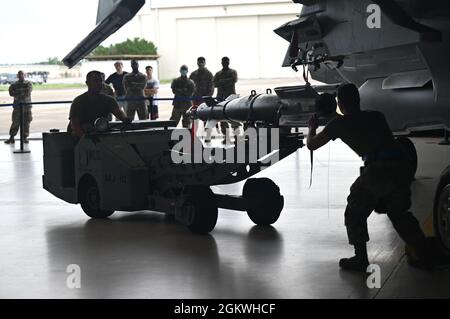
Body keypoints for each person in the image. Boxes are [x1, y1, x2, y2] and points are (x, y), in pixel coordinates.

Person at [306, 83, 443, 272]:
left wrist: (312, 128)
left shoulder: (338, 125)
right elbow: (356, 123)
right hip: (402, 166)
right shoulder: (376, 116)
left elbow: (312, 145)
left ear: (340, 102)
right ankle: (423, 253)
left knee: (355, 211)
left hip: (378, 169)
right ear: (358, 100)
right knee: (399, 213)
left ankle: (360, 258)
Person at [69, 71, 130, 139]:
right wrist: (85, 139)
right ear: (87, 83)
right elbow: (75, 125)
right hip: (82, 136)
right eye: (95, 81)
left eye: (100, 81)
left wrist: (125, 119)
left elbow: (118, 113)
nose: (99, 83)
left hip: (100, 134)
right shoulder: (79, 101)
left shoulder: (109, 100)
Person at [213, 57, 240, 142]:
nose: (225, 63)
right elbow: (214, 84)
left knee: (234, 117)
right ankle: (226, 137)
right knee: (222, 119)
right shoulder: (218, 73)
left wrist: (222, 81)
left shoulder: (233, 72)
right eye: (223, 62)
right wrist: (226, 81)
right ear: (221, 63)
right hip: (221, 98)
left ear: (229, 62)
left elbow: (234, 80)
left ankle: (236, 136)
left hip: (232, 98)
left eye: (226, 61)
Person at [5, 70, 33, 144]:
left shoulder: (28, 83)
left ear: (25, 75)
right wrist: (21, 92)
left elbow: (28, 91)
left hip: (26, 106)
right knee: (15, 122)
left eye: (22, 74)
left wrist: (17, 92)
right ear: (17, 76)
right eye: (19, 74)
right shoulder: (14, 84)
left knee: (26, 122)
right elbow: (11, 92)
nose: (21, 76)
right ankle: (12, 137)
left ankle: (24, 137)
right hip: (17, 107)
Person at [189, 57, 214, 134]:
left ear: (205, 63)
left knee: (206, 118)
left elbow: (211, 87)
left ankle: (208, 136)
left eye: (202, 62)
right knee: (194, 118)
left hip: (205, 100)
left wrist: (207, 97)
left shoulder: (209, 74)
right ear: (197, 63)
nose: (200, 63)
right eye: (199, 62)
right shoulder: (193, 74)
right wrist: (191, 97)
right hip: (195, 100)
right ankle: (193, 136)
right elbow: (190, 86)